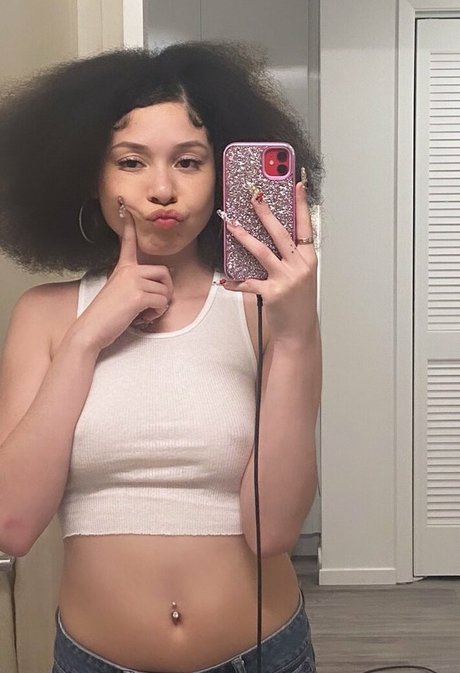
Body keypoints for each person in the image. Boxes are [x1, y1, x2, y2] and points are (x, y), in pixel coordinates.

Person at [0, 41, 322, 673]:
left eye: (189, 161)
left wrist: (295, 336)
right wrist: (88, 336)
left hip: (263, 656)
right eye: (131, 161)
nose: (163, 189)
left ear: (224, 176)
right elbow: (12, 523)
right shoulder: (44, 315)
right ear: (91, 176)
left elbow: (275, 530)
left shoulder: (262, 310)